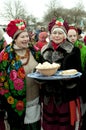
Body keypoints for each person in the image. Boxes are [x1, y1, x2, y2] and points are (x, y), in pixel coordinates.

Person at [40, 17, 82, 130]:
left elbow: (78, 73)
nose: (57, 35)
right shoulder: (44, 50)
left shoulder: (73, 50)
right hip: (49, 96)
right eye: (54, 33)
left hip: (65, 96)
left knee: (65, 125)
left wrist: (68, 79)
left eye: (60, 33)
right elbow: (40, 69)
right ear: (50, 34)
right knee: (50, 125)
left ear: (65, 35)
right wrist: (39, 75)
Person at [0, 19, 41, 130]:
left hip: (35, 99)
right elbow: (1, 80)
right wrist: (4, 103)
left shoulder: (34, 50)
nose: (26, 39)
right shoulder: (6, 54)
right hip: (15, 104)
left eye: (26, 36)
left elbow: (43, 67)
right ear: (15, 38)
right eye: (22, 37)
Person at [67, 26, 86, 130]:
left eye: (74, 35)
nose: (72, 38)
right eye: (70, 36)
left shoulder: (82, 48)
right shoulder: (65, 47)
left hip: (82, 79)